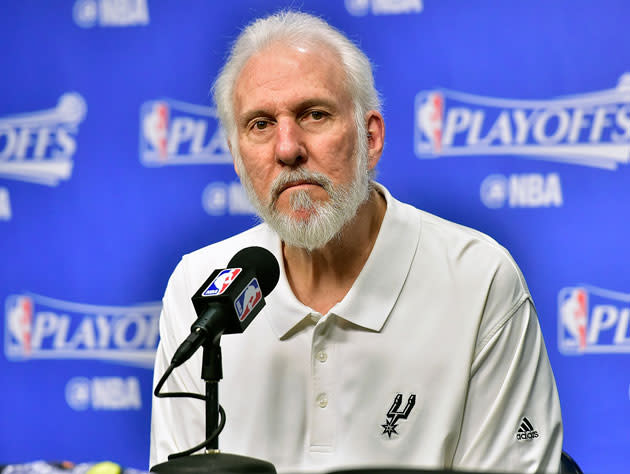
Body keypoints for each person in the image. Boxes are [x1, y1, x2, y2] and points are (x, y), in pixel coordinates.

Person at [150, 10, 563, 473]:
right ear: (236, 157)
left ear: (371, 136)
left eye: (314, 114)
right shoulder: (199, 286)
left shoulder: (478, 278)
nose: (287, 148)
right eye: (260, 124)